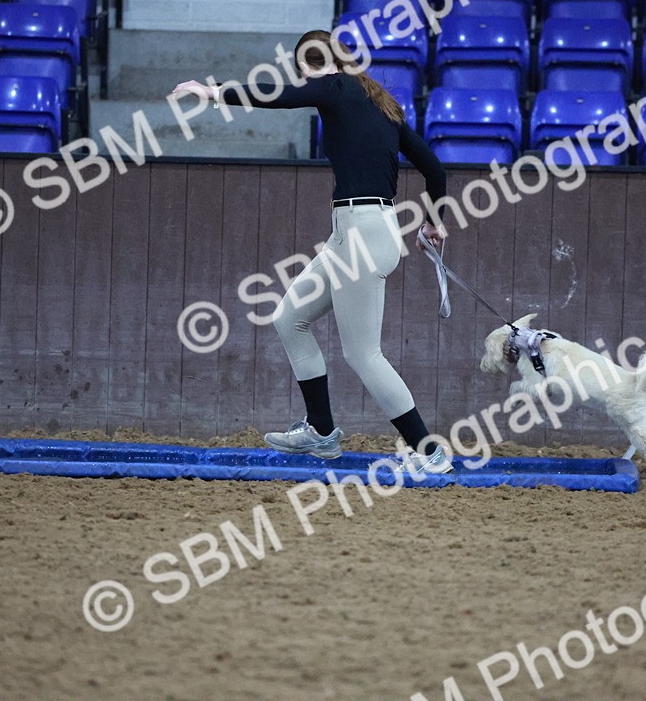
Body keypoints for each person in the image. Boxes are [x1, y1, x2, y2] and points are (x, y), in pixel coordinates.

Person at [173, 29, 451, 474]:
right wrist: (433, 221)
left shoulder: (336, 84)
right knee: (288, 317)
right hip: (354, 232)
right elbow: (434, 168)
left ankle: (429, 450)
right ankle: (322, 431)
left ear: (314, 65)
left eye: (306, 69)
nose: (307, 80)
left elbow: (277, 96)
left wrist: (212, 92)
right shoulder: (380, 106)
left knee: (363, 355)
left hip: (362, 233)